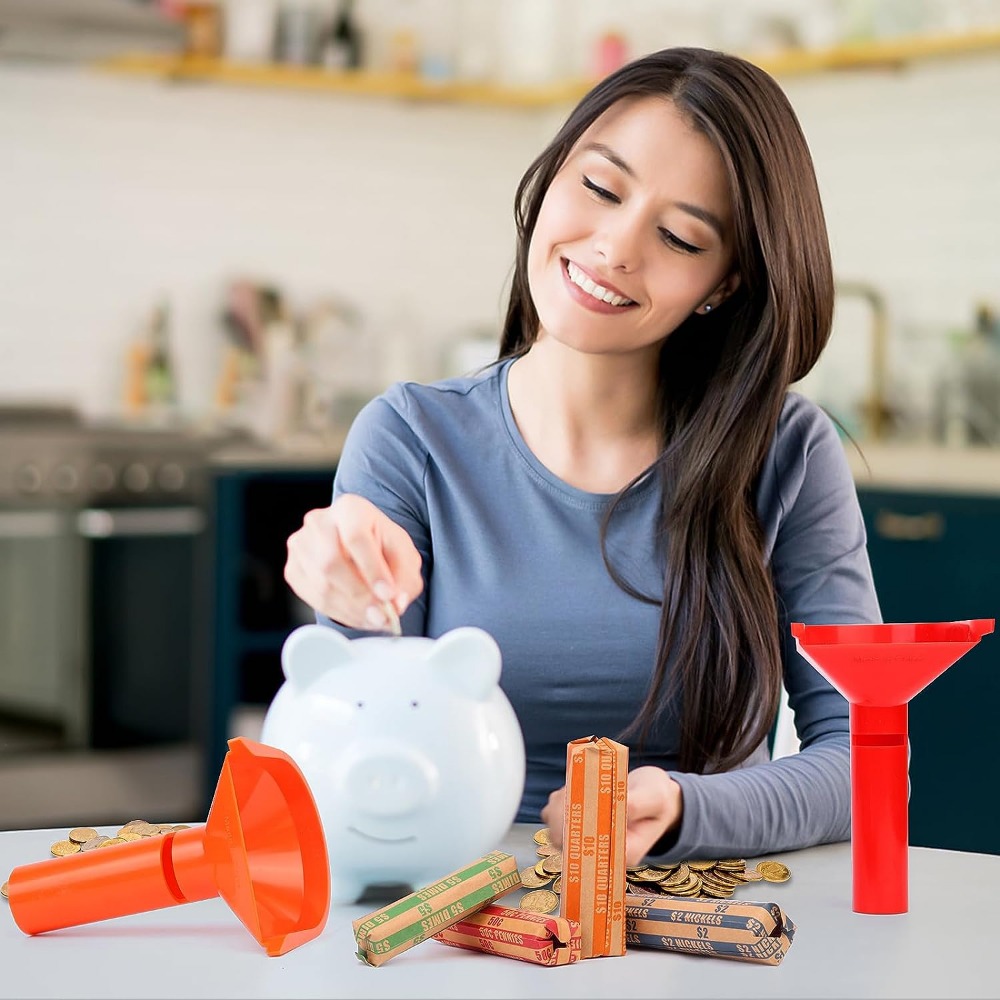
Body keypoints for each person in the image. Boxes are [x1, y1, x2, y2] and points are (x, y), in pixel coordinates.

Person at [283, 46, 882, 867]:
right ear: (553, 173)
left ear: (726, 284)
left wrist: (683, 809)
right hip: (470, 917)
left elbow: (868, 760)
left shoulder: (786, 453)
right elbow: (360, 749)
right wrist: (349, 595)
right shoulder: (411, 438)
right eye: (600, 188)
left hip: (720, 927)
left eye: (678, 236)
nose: (614, 247)